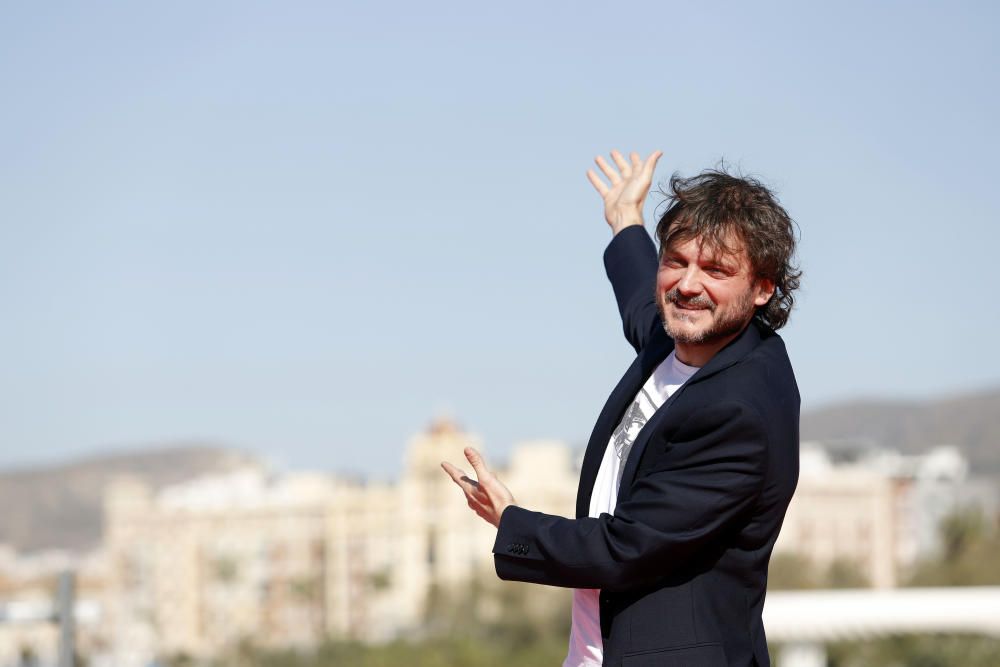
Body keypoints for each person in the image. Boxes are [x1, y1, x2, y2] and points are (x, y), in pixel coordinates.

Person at [442, 149, 801, 667]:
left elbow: (625, 547)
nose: (687, 284)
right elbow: (640, 302)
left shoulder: (737, 410)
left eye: (716, 270)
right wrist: (625, 220)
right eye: (675, 261)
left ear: (763, 287)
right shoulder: (682, 342)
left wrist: (512, 522)